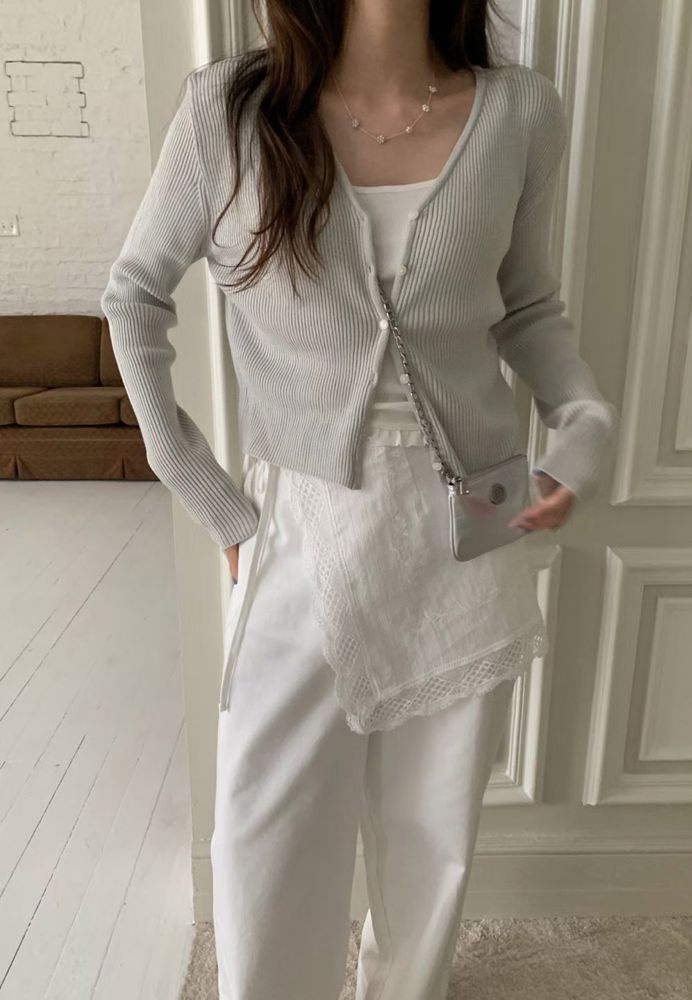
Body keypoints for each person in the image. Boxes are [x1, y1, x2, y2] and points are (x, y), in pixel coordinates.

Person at [101, 1, 618, 997]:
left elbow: (528, 307)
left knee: (432, 841)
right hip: (302, 520)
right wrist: (211, 499)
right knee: (267, 834)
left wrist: (584, 426)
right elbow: (134, 296)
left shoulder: (520, 114)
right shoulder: (229, 114)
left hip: (471, 520)